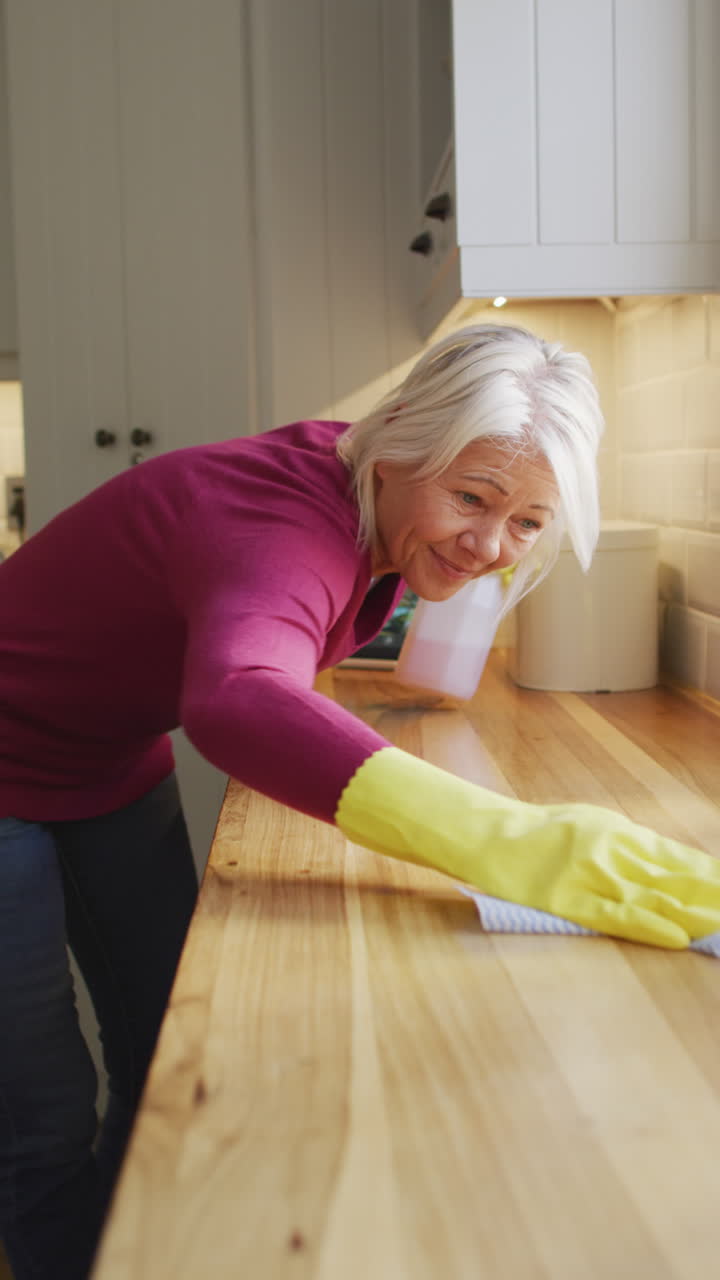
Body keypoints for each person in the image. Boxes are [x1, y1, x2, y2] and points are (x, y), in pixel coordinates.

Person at [1, 323, 719, 1279]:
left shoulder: (365, 501)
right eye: (473, 498)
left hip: (108, 757)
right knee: (41, 1110)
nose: (491, 546)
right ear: (396, 442)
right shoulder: (284, 521)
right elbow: (238, 693)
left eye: (529, 522)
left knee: (164, 1037)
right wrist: (513, 841)